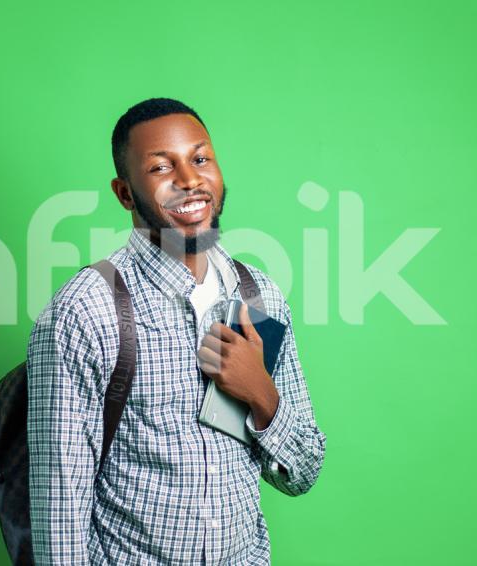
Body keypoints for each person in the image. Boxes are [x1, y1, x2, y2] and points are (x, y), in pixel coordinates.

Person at [27, 97, 326, 565]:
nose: (190, 180)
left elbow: (302, 473)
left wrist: (262, 395)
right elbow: (58, 516)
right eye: (162, 167)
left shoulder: (257, 296)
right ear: (125, 194)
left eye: (201, 158)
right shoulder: (85, 310)